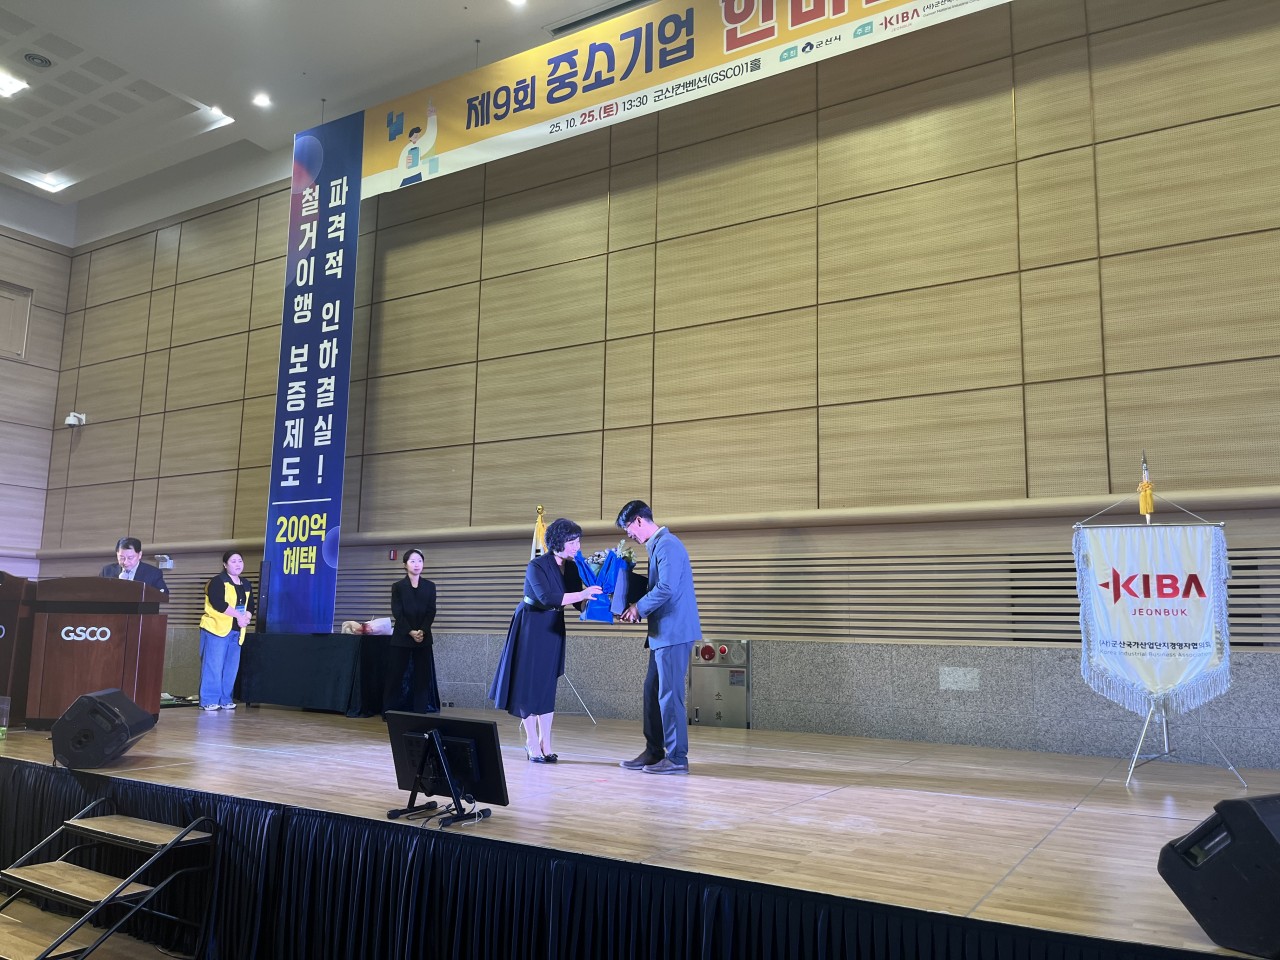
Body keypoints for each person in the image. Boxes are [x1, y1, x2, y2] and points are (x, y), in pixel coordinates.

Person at [489, 519, 601, 763]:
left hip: (553, 626)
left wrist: (600, 600)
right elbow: (547, 597)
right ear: (558, 542)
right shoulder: (536, 565)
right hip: (531, 624)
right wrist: (582, 593)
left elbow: (576, 603)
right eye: (572, 542)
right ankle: (531, 742)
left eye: (578, 541)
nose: (577, 546)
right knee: (529, 685)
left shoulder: (572, 567)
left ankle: (546, 743)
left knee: (547, 685)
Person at [616, 500, 701, 775]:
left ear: (639, 520)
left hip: (673, 633)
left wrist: (637, 608)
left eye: (629, 529)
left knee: (670, 696)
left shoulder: (667, 545)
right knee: (652, 691)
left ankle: (677, 758)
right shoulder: (658, 546)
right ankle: (654, 752)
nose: (629, 535)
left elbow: (666, 587)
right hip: (662, 633)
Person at [198, 550, 255, 711]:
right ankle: (208, 700)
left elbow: (251, 605)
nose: (238, 564)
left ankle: (225, 699)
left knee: (230, 668)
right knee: (213, 666)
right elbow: (218, 603)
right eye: (233, 561)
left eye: (240, 561)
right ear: (225, 565)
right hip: (217, 629)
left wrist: (246, 617)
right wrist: (238, 616)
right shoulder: (218, 581)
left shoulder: (246, 583)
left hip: (237, 631)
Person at [385, 548, 440, 714]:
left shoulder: (430, 586)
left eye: (420, 561)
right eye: (413, 561)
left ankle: (420, 711)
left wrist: (422, 630)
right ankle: (389, 711)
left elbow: (431, 611)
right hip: (402, 636)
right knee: (395, 675)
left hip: (423, 637)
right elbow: (397, 612)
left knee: (422, 676)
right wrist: (410, 631)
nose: (417, 564)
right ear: (405, 565)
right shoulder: (398, 587)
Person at [99, 537, 168, 592]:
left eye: (130, 558)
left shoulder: (153, 573)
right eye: (122, 557)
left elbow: (163, 594)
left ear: (140, 555)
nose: (125, 562)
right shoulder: (107, 571)